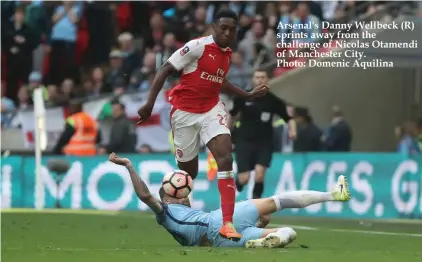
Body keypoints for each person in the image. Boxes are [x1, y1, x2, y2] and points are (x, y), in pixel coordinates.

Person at [137, 9, 270, 241]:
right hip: (184, 113)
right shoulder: (197, 47)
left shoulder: (227, 53)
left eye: (232, 29)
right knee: (189, 174)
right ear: (213, 27)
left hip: (210, 109)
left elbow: (220, 81)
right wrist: (149, 104)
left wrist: (247, 95)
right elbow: (166, 68)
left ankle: (227, 223)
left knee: (225, 157)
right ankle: (171, 206)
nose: (228, 33)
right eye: (224, 28)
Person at [109, 152, 351, 248]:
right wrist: (129, 165)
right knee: (276, 201)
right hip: (221, 219)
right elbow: (144, 194)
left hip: (219, 239)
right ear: (172, 194)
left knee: (288, 231)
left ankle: (261, 237)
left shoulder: (174, 218)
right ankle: (333, 195)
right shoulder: (164, 211)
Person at [230, 69, 296, 199]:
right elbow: (231, 115)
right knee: (245, 178)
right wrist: (226, 133)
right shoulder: (243, 97)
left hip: (264, 143)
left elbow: (289, 118)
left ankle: (256, 205)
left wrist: (293, 130)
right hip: (244, 142)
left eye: (263, 77)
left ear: (267, 80)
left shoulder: (274, 101)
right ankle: (238, 183)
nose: (260, 80)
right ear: (253, 80)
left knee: (260, 175)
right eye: (257, 77)